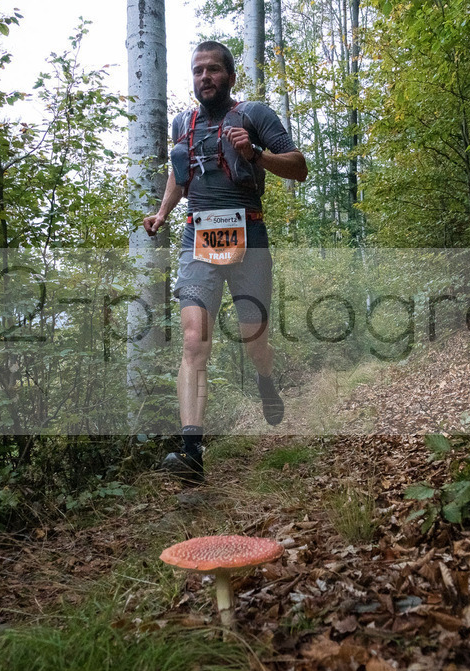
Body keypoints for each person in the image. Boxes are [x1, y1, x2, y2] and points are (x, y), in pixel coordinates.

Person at [143, 40, 308, 485]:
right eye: (198, 71)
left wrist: (255, 153)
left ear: (230, 77)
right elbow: (181, 172)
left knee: (254, 336)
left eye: (214, 70)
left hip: (248, 235)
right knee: (195, 338)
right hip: (197, 237)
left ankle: (265, 378)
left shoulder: (254, 115)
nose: (205, 78)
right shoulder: (183, 122)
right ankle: (192, 451)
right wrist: (162, 213)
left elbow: (299, 167)